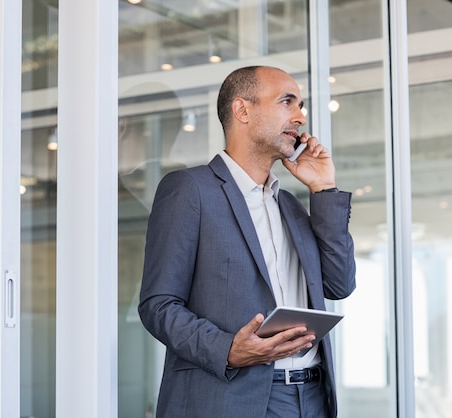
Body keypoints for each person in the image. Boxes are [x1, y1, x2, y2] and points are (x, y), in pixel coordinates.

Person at [138, 65, 356, 418]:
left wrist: (324, 189)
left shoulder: (290, 205)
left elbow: (339, 284)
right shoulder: (190, 190)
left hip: (313, 397)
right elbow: (158, 305)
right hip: (233, 399)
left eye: (301, 106)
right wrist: (228, 349)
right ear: (242, 110)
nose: (300, 117)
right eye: (288, 102)